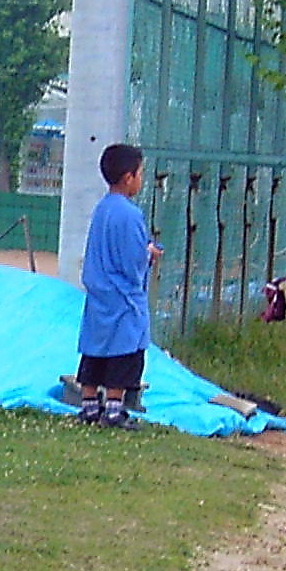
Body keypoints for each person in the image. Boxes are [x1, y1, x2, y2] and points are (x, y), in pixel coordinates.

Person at [75, 143, 161, 429]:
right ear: (128, 177)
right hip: (124, 297)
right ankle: (114, 408)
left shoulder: (101, 209)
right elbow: (133, 260)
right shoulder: (130, 214)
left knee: (95, 350)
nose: (141, 180)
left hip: (99, 295)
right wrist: (149, 254)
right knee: (125, 353)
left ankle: (88, 405)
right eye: (140, 174)